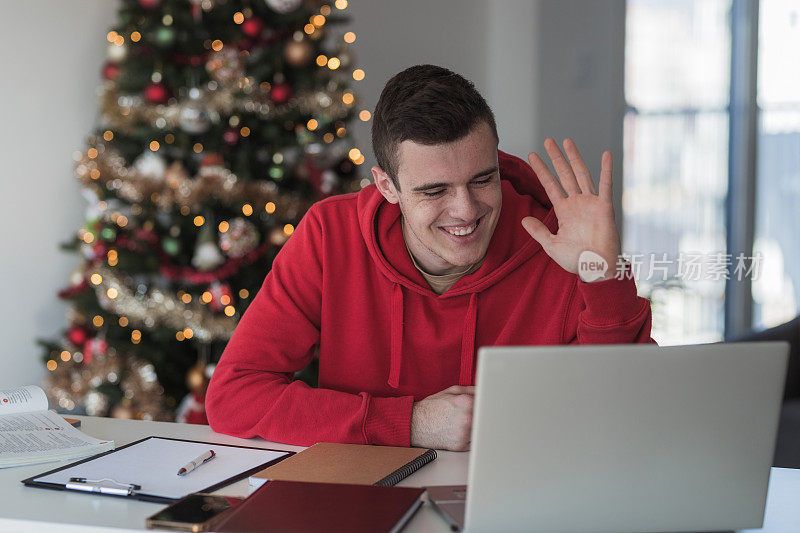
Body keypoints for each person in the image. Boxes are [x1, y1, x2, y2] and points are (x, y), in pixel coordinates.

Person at [206, 64, 654, 451]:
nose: (466, 210)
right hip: (370, 504)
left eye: (482, 179)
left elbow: (630, 405)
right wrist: (411, 423)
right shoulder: (330, 235)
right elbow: (234, 396)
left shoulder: (561, 240)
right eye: (435, 190)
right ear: (386, 187)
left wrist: (604, 273)